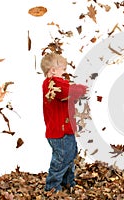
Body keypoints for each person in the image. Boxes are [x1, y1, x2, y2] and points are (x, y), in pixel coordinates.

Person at [41, 52, 87, 192]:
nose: (65, 72)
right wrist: (83, 88)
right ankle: (52, 187)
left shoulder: (54, 83)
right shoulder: (53, 83)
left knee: (70, 156)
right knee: (61, 160)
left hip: (65, 130)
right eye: (63, 69)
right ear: (53, 70)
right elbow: (69, 91)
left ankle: (68, 183)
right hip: (59, 132)